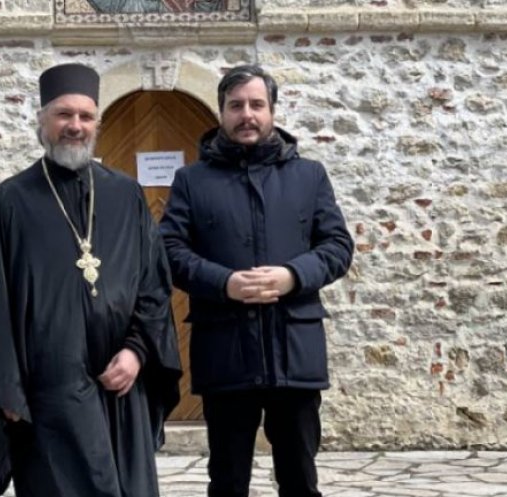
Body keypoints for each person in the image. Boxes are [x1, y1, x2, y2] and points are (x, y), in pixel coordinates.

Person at [0, 63, 182, 496]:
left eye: (86, 116)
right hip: (51, 393)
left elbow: (154, 286)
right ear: (42, 120)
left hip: (122, 385)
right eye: (64, 114)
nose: (75, 126)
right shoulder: (10, 202)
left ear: (97, 124)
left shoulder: (126, 195)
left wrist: (137, 352)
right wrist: (9, 393)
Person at [159, 64, 354, 497]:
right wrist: (223, 282)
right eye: (236, 106)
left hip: (295, 350)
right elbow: (168, 251)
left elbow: (338, 246)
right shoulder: (191, 181)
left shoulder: (310, 176)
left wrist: (292, 276)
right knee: (228, 482)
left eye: (256, 105)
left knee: (300, 479)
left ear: (272, 111)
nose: (246, 115)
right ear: (221, 112)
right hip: (225, 350)